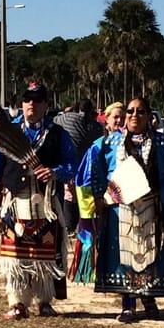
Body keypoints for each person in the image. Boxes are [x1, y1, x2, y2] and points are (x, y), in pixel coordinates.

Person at [75, 96, 164, 323]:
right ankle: (128, 304)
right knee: (123, 256)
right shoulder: (110, 143)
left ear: (150, 116)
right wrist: (102, 197)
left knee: (152, 253)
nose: (134, 115)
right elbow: (96, 170)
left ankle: (149, 298)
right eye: (130, 111)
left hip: (152, 206)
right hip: (120, 210)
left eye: (140, 112)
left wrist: (160, 191)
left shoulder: (162, 143)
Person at [0, 82, 77, 320]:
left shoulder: (57, 134)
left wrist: (56, 172)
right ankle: (17, 303)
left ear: (45, 105)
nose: (31, 104)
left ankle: (44, 301)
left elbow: (74, 165)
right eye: (27, 100)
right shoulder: (8, 132)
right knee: (16, 257)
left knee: (45, 257)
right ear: (21, 104)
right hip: (16, 203)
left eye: (37, 100)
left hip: (46, 205)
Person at [54, 99, 103, 236]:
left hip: (69, 164)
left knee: (70, 195)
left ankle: (69, 227)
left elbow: (54, 121)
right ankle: (84, 225)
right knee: (85, 196)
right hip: (87, 167)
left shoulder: (67, 118)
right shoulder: (95, 126)